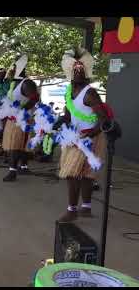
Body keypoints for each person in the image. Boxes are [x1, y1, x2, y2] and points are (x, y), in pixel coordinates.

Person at [56, 47, 109, 222]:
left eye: (81, 69)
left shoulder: (90, 93)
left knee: (74, 173)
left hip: (90, 137)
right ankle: (85, 207)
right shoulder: (68, 92)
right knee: (84, 173)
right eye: (75, 69)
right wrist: (60, 122)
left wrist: (89, 136)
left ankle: (72, 211)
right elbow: (68, 115)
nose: (78, 71)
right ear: (69, 72)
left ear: (86, 72)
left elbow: (104, 120)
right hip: (75, 136)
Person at [1, 55, 40, 182]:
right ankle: (22, 166)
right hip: (13, 119)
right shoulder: (14, 83)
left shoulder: (27, 83)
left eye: (16, 65)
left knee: (16, 145)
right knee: (17, 144)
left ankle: (13, 171)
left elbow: (34, 98)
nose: (13, 68)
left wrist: (22, 110)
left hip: (23, 119)